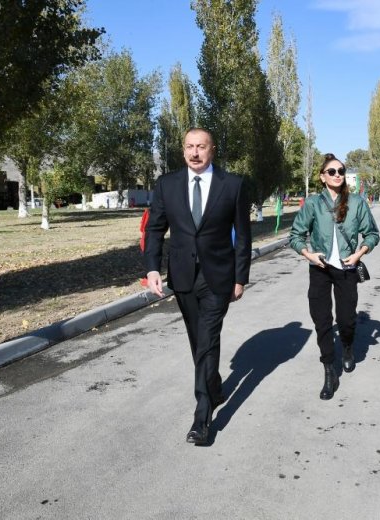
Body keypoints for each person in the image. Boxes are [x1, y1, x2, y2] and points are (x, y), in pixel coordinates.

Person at [144, 127, 252, 445]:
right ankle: (214, 387)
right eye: (189, 146)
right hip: (183, 277)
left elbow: (243, 236)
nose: (194, 153)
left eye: (201, 147)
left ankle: (202, 418)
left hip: (218, 277)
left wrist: (240, 278)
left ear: (212, 150)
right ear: (183, 150)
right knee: (198, 340)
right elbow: (154, 229)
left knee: (206, 340)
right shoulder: (167, 185)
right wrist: (152, 268)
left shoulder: (232, 185)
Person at [289, 153, 380, 400]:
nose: (337, 175)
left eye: (341, 171)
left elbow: (372, 234)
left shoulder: (357, 202)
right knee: (322, 320)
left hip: (347, 269)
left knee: (346, 319)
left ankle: (347, 345)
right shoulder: (312, 204)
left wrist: (359, 253)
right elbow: (296, 235)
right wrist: (308, 254)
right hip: (319, 269)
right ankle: (329, 370)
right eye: (332, 171)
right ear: (322, 177)